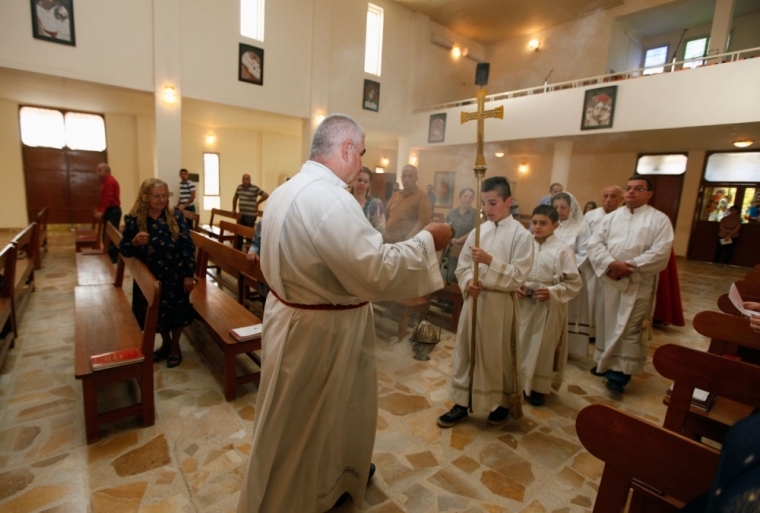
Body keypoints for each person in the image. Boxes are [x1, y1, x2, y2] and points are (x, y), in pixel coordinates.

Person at [237, 113, 453, 513]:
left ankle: (332, 476)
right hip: (322, 332)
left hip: (294, 317)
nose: (361, 164)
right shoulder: (331, 198)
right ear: (346, 149)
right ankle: (297, 497)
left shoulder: (288, 190)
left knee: (311, 416)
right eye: (361, 153)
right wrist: (429, 241)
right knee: (309, 421)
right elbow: (376, 270)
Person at [437, 176, 534, 428]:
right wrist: (469, 282)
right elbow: (465, 266)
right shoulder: (479, 232)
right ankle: (460, 403)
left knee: (495, 354)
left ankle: (500, 402)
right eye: (484, 203)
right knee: (467, 352)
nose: (487, 209)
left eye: (493, 202)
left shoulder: (522, 236)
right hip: (475, 302)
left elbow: (518, 275)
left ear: (508, 201)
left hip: (499, 306)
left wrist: (491, 261)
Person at [587, 176, 673, 393]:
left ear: (649, 194)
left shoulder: (659, 220)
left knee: (630, 327)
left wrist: (628, 268)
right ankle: (605, 362)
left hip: (638, 284)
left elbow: (661, 252)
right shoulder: (611, 218)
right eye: (629, 188)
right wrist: (611, 264)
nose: (632, 192)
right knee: (607, 322)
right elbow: (594, 244)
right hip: (610, 280)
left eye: (639, 189)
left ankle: (620, 373)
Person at [119, 179, 195, 368]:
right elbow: (124, 250)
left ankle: (175, 346)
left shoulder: (175, 217)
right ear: (146, 197)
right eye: (156, 196)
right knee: (157, 313)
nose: (161, 200)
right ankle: (166, 343)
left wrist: (188, 275)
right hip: (149, 277)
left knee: (176, 312)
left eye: (164, 196)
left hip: (175, 275)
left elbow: (188, 246)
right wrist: (135, 243)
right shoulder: (134, 219)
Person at [518, 205, 582, 406]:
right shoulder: (523, 244)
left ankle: (538, 387)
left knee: (543, 348)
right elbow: (513, 270)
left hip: (548, 308)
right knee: (520, 343)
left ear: (556, 225)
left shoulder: (563, 250)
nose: (537, 227)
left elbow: (574, 283)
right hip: (523, 306)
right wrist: (515, 286)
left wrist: (551, 292)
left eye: (543, 223)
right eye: (534, 222)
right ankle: (518, 381)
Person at [551, 192, 592, 359]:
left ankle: (566, 349)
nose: (559, 211)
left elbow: (584, 253)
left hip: (570, 279)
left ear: (571, 208)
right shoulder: (550, 224)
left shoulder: (581, 227)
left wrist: (567, 272)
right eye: (555, 207)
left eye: (563, 207)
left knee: (569, 314)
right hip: (551, 279)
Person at [584, 186, 624, 338]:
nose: (608, 200)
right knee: (590, 296)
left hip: (613, 265)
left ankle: (603, 332)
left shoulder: (624, 218)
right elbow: (585, 239)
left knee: (607, 300)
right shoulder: (590, 216)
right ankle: (588, 331)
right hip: (591, 263)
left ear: (621, 199)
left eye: (613, 196)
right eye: (605, 196)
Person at [384, 165, 432, 243]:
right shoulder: (395, 195)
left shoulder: (422, 196)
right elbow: (387, 214)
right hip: (389, 241)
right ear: (401, 178)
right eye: (404, 176)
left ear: (416, 178)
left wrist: (408, 239)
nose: (406, 179)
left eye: (410, 176)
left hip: (407, 244)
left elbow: (423, 221)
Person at [444, 188, 476, 283]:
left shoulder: (475, 214)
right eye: (465, 196)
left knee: (460, 278)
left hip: (466, 250)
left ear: (473, 200)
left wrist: (458, 240)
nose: (467, 199)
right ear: (460, 198)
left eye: (470, 197)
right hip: (450, 248)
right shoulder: (451, 213)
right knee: (446, 275)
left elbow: (474, 231)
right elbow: (446, 227)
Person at [94, 163, 121, 264]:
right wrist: (100, 209)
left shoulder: (109, 181)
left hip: (113, 210)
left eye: (99, 170)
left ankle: (113, 258)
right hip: (110, 210)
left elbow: (108, 198)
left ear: (106, 171)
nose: (97, 172)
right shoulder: (105, 181)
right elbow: (104, 198)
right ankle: (109, 255)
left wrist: (101, 211)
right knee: (106, 234)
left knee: (110, 235)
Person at [233, 174, 268, 249]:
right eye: (244, 179)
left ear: (250, 180)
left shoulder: (254, 188)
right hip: (241, 214)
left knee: (248, 233)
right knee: (239, 233)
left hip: (251, 215)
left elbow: (265, 195)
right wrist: (234, 209)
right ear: (242, 180)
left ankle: (249, 251)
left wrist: (257, 203)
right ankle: (237, 251)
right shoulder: (239, 188)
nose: (245, 180)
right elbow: (235, 198)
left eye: (247, 179)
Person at [350, 167, 385, 233]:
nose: (362, 183)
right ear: (353, 181)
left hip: (369, 241)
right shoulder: (346, 202)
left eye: (365, 181)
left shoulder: (376, 204)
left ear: (369, 184)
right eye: (359, 180)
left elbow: (381, 229)